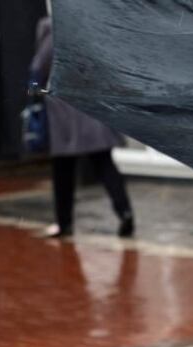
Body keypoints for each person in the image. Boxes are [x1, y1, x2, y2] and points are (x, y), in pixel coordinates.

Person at [29, 16, 134, 238]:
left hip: (66, 114)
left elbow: (39, 66)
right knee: (104, 164)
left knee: (63, 170)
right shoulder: (90, 26)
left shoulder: (55, 29)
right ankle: (124, 212)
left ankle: (64, 223)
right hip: (92, 107)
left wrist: (34, 92)